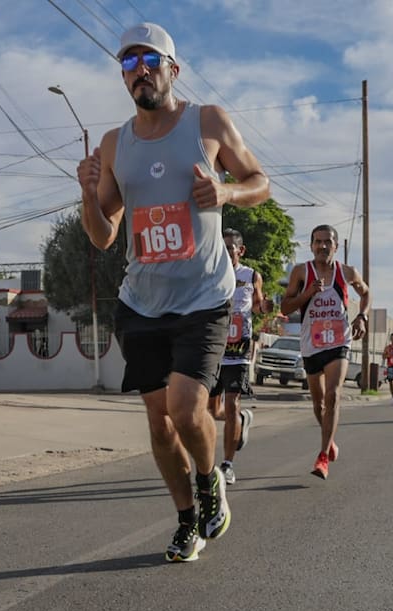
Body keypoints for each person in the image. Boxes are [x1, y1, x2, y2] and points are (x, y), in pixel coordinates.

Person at [76, 22, 270, 562]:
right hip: (142, 301)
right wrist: (89, 194)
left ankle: (210, 483)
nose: (139, 72)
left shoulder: (208, 122)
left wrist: (227, 191)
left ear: (172, 69)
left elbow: (261, 181)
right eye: (128, 65)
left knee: (187, 411)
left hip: (205, 295)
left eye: (149, 61)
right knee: (159, 424)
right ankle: (188, 520)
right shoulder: (116, 143)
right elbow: (103, 234)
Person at [279, 224, 370, 478]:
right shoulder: (301, 272)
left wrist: (362, 316)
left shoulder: (347, 272)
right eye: (317, 242)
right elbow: (285, 307)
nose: (322, 246)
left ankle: (322, 458)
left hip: (339, 341)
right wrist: (309, 292)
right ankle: (329, 442)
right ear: (311, 246)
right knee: (318, 404)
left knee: (333, 395)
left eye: (327, 242)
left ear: (336, 246)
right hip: (312, 344)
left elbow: (366, 293)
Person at [209, 228, 262, 485]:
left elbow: (260, 304)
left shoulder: (251, 275)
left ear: (240, 251)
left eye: (231, 247)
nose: (226, 251)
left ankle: (227, 465)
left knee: (230, 406)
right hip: (212, 349)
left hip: (238, 351)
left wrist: (267, 307)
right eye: (223, 246)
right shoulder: (209, 273)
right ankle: (242, 420)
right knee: (211, 411)